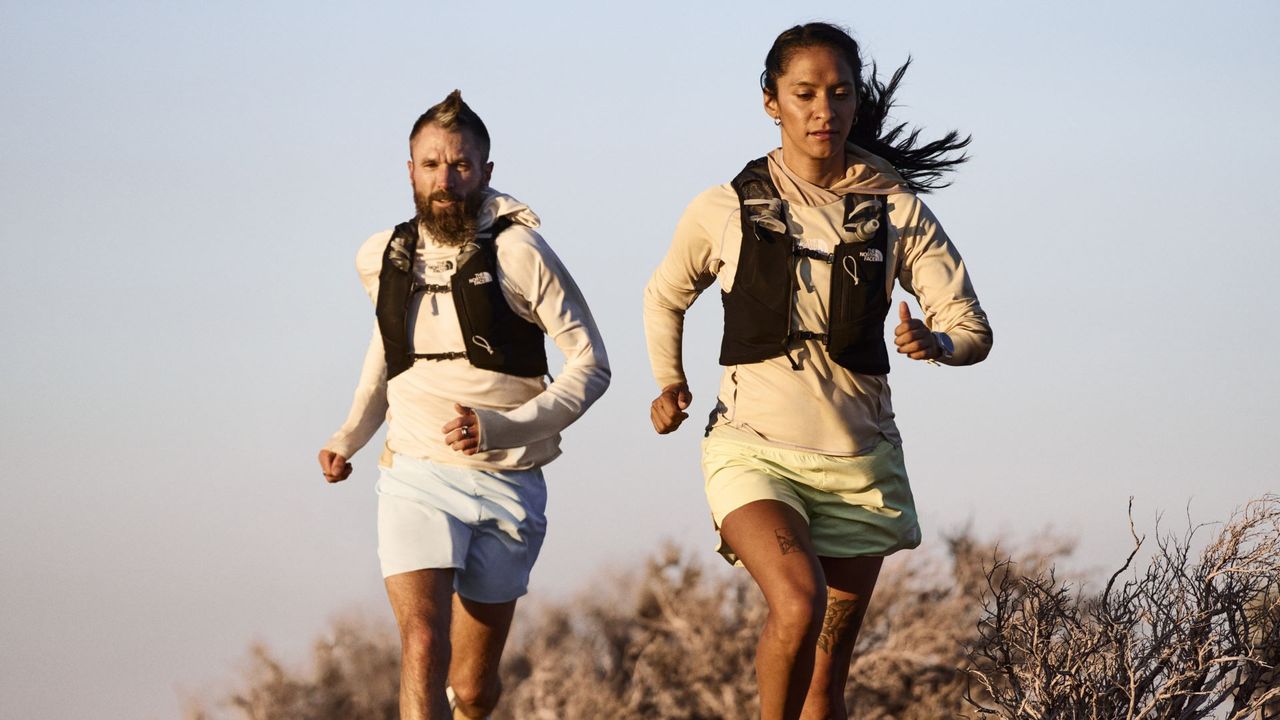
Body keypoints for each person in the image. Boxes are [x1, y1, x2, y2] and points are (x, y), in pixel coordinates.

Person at [644, 22, 992, 720]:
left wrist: (938, 345)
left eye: (838, 94)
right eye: (803, 94)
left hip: (859, 468)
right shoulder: (724, 206)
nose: (822, 110)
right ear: (771, 100)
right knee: (797, 603)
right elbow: (665, 294)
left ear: (855, 102)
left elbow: (971, 328)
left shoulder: (896, 210)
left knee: (826, 684)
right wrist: (669, 381)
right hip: (753, 451)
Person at [318, 90, 610, 720]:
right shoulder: (383, 256)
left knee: (473, 689)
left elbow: (591, 367)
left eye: (461, 166)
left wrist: (503, 425)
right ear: (409, 170)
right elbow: (390, 353)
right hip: (415, 472)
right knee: (422, 641)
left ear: (485, 171)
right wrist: (349, 436)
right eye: (430, 166)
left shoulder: (521, 253)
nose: (444, 181)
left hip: (509, 482)